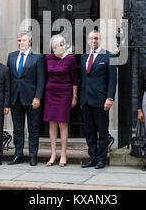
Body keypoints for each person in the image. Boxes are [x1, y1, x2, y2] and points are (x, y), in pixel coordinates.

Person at [7, 31, 46, 166]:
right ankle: (18, 155)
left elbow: (41, 79)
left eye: (23, 40)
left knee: (33, 129)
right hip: (15, 98)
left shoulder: (38, 57)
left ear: (29, 42)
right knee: (17, 129)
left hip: (31, 99)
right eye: (19, 41)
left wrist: (38, 97)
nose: (20, 43)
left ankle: (33, 155)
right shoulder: (11, 56)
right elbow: (9, 79)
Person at [80, 30, 117, 169]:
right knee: (89, 132)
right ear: (88, 41)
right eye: (91, 38)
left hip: (101, 101)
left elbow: (113, 80)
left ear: (100, 40)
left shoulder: (109, 56)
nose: (94, 41)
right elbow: (84, 79)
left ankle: (101, 159)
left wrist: (110, 97)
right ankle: (92, 158)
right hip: (86, 100)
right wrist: (81, 99)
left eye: (96, 38)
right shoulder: (84, 57)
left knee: (102, 132)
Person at [44, 35, 78, 167]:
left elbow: (74, 79)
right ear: (54, 47)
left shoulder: (70, 59)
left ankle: (63, 154)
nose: (63, 46)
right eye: (61, 44)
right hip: (51, 92)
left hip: (65, 92)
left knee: (63, 123)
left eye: (64, 44)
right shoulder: (48, 58)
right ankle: (53, 154)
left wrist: (74, 96)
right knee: (52, 124)